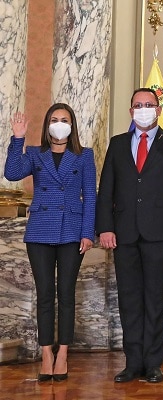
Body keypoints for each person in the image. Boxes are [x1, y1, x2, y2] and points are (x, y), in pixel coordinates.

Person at [96, 88, 163, 383]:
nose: (143, 109)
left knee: (155, 299)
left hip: (159, 232)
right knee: (129, 299)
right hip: (124, 233)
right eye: (138, 105)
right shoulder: (117, 144)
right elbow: (106, 189)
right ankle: (133, 362)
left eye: (148, 105)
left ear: (158, 110)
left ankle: (153, 362)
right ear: (131, 111)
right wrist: (105, 227)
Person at [4, 104, 96, 382]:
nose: (59, 124)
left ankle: (63, 353)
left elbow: (90, 196)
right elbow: (12, 173)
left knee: (66, 294)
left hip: (71, 229)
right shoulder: (35, 153)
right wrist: (18, 138)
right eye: (54, 119)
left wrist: (87, 233)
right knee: (45, 294)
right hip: (40, 230)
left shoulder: (84, 155)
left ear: (72, 125)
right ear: (47, 124)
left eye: (64, 120)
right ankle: (46, 353)